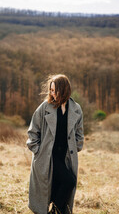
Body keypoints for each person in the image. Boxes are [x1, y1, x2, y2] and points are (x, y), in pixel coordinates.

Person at [26, 74, 84, 214]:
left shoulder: (76, 109)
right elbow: (33, 132)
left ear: (64, 90)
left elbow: (79, 134)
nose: (52, 94)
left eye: (55, 90)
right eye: (50, 90)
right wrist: (38, 151)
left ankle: (55, 211)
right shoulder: (44, 107)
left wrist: (75, 147)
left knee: (62, 184)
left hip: (65, 157)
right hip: (47, 156)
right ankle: (54, 212)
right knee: (68, 181)